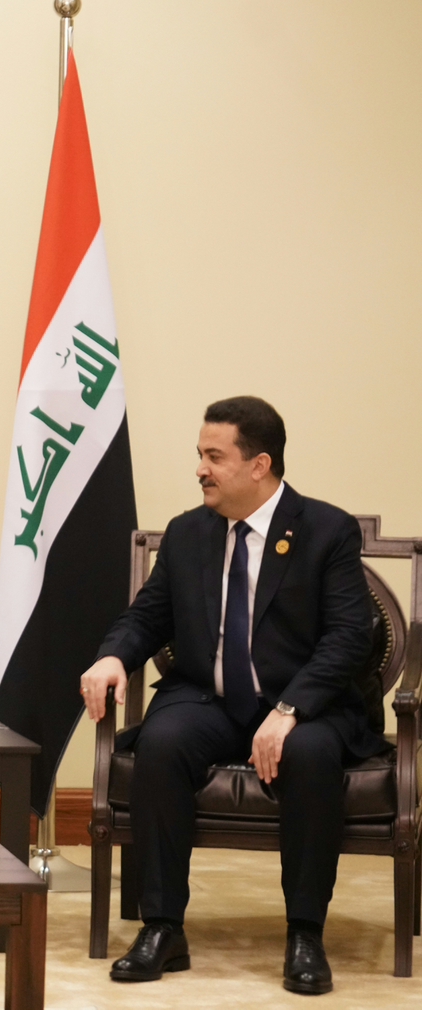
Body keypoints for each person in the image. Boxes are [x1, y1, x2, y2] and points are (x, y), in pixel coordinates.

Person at [80, 396, 383, 996]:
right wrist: (114, 655)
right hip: (211, 700)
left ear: (259, 464)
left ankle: (304, 934)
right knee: (161, 744)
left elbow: (350, 638)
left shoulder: (326, 531)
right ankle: (162, 928)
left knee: (312, 755)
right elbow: (147, 616)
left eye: (214, 456)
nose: (200, 469)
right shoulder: (190, 533)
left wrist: (289, 709)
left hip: (307, 706)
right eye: (200, 455)